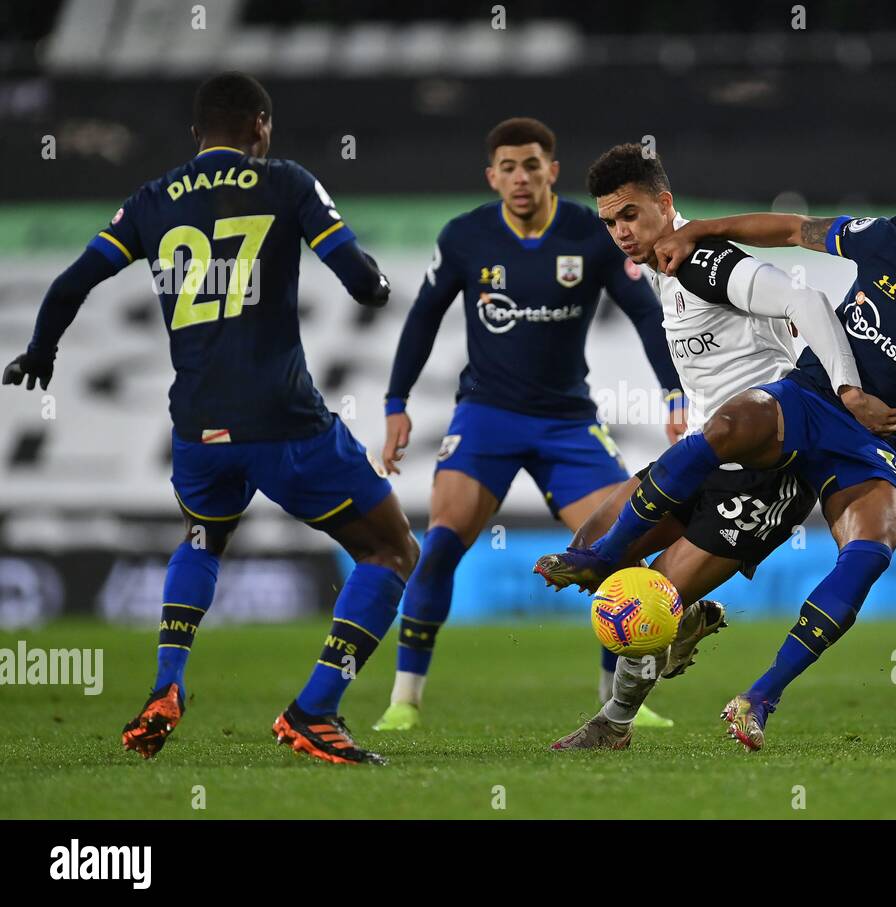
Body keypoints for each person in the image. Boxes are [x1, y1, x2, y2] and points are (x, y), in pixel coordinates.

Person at [537, 165, 896, 751]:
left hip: (867, 444)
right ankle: (626, 582)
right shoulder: (893, 240)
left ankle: (752, 699)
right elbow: (793, 228)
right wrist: (703, 227)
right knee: (631, 530)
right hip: (806, 400)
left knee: (873, 547)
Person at [3, 72, 418, 765]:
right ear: (260, 126)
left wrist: (40, 351)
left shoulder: (151, 198)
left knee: (201, 538)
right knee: (393, 550)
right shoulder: (285, 180)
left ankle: (168, 684)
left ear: (198, 134)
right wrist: (374, 284)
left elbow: (71, 281)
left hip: (197, 427)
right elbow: (358, 278)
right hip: (284, 422)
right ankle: (314, 709)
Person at [540, 143, 861, 749]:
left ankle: (614, 724)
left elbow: (806, 299)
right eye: (609, 222)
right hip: (701, 453)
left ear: (665, 204)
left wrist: (844, 389)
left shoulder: (702, 260)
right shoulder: (664, 269)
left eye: (630, 215)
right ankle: (675, 629)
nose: (620, 232)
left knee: (644, 600)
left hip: (761, 471)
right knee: (591, 553)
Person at [373, 119, 684, 732]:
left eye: (532, 165)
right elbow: (422, 318)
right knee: (437, 547)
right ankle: (403, 701)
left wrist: (674, 392)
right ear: (492, 176)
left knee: (616, 552)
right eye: (508, 167)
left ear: (552, 171)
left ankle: (621, 701)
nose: (521, 177)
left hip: (568, 421)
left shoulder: (589, 235)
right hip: (485, 416)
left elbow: (647, 314)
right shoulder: (464, 237)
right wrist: (394, 403)